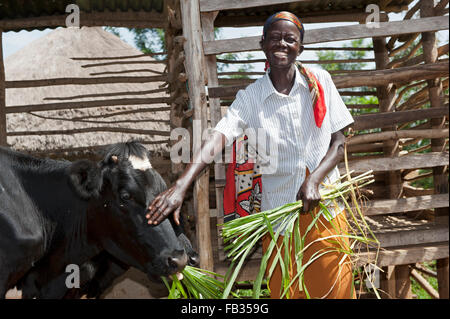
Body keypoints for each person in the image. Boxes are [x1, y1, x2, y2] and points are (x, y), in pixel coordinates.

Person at [146, 11, 355, 299]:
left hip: (326, 210)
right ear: (263, 44)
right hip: (280, 218)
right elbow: (218, 137)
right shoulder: (251, 97)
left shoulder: (319, 80)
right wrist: (182, 184)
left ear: (300, 48)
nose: (282, 44)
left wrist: (315, 180)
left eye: (290, 39)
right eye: (274, 38)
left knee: (335, 290)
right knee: (287, 292)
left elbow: (339, 141)